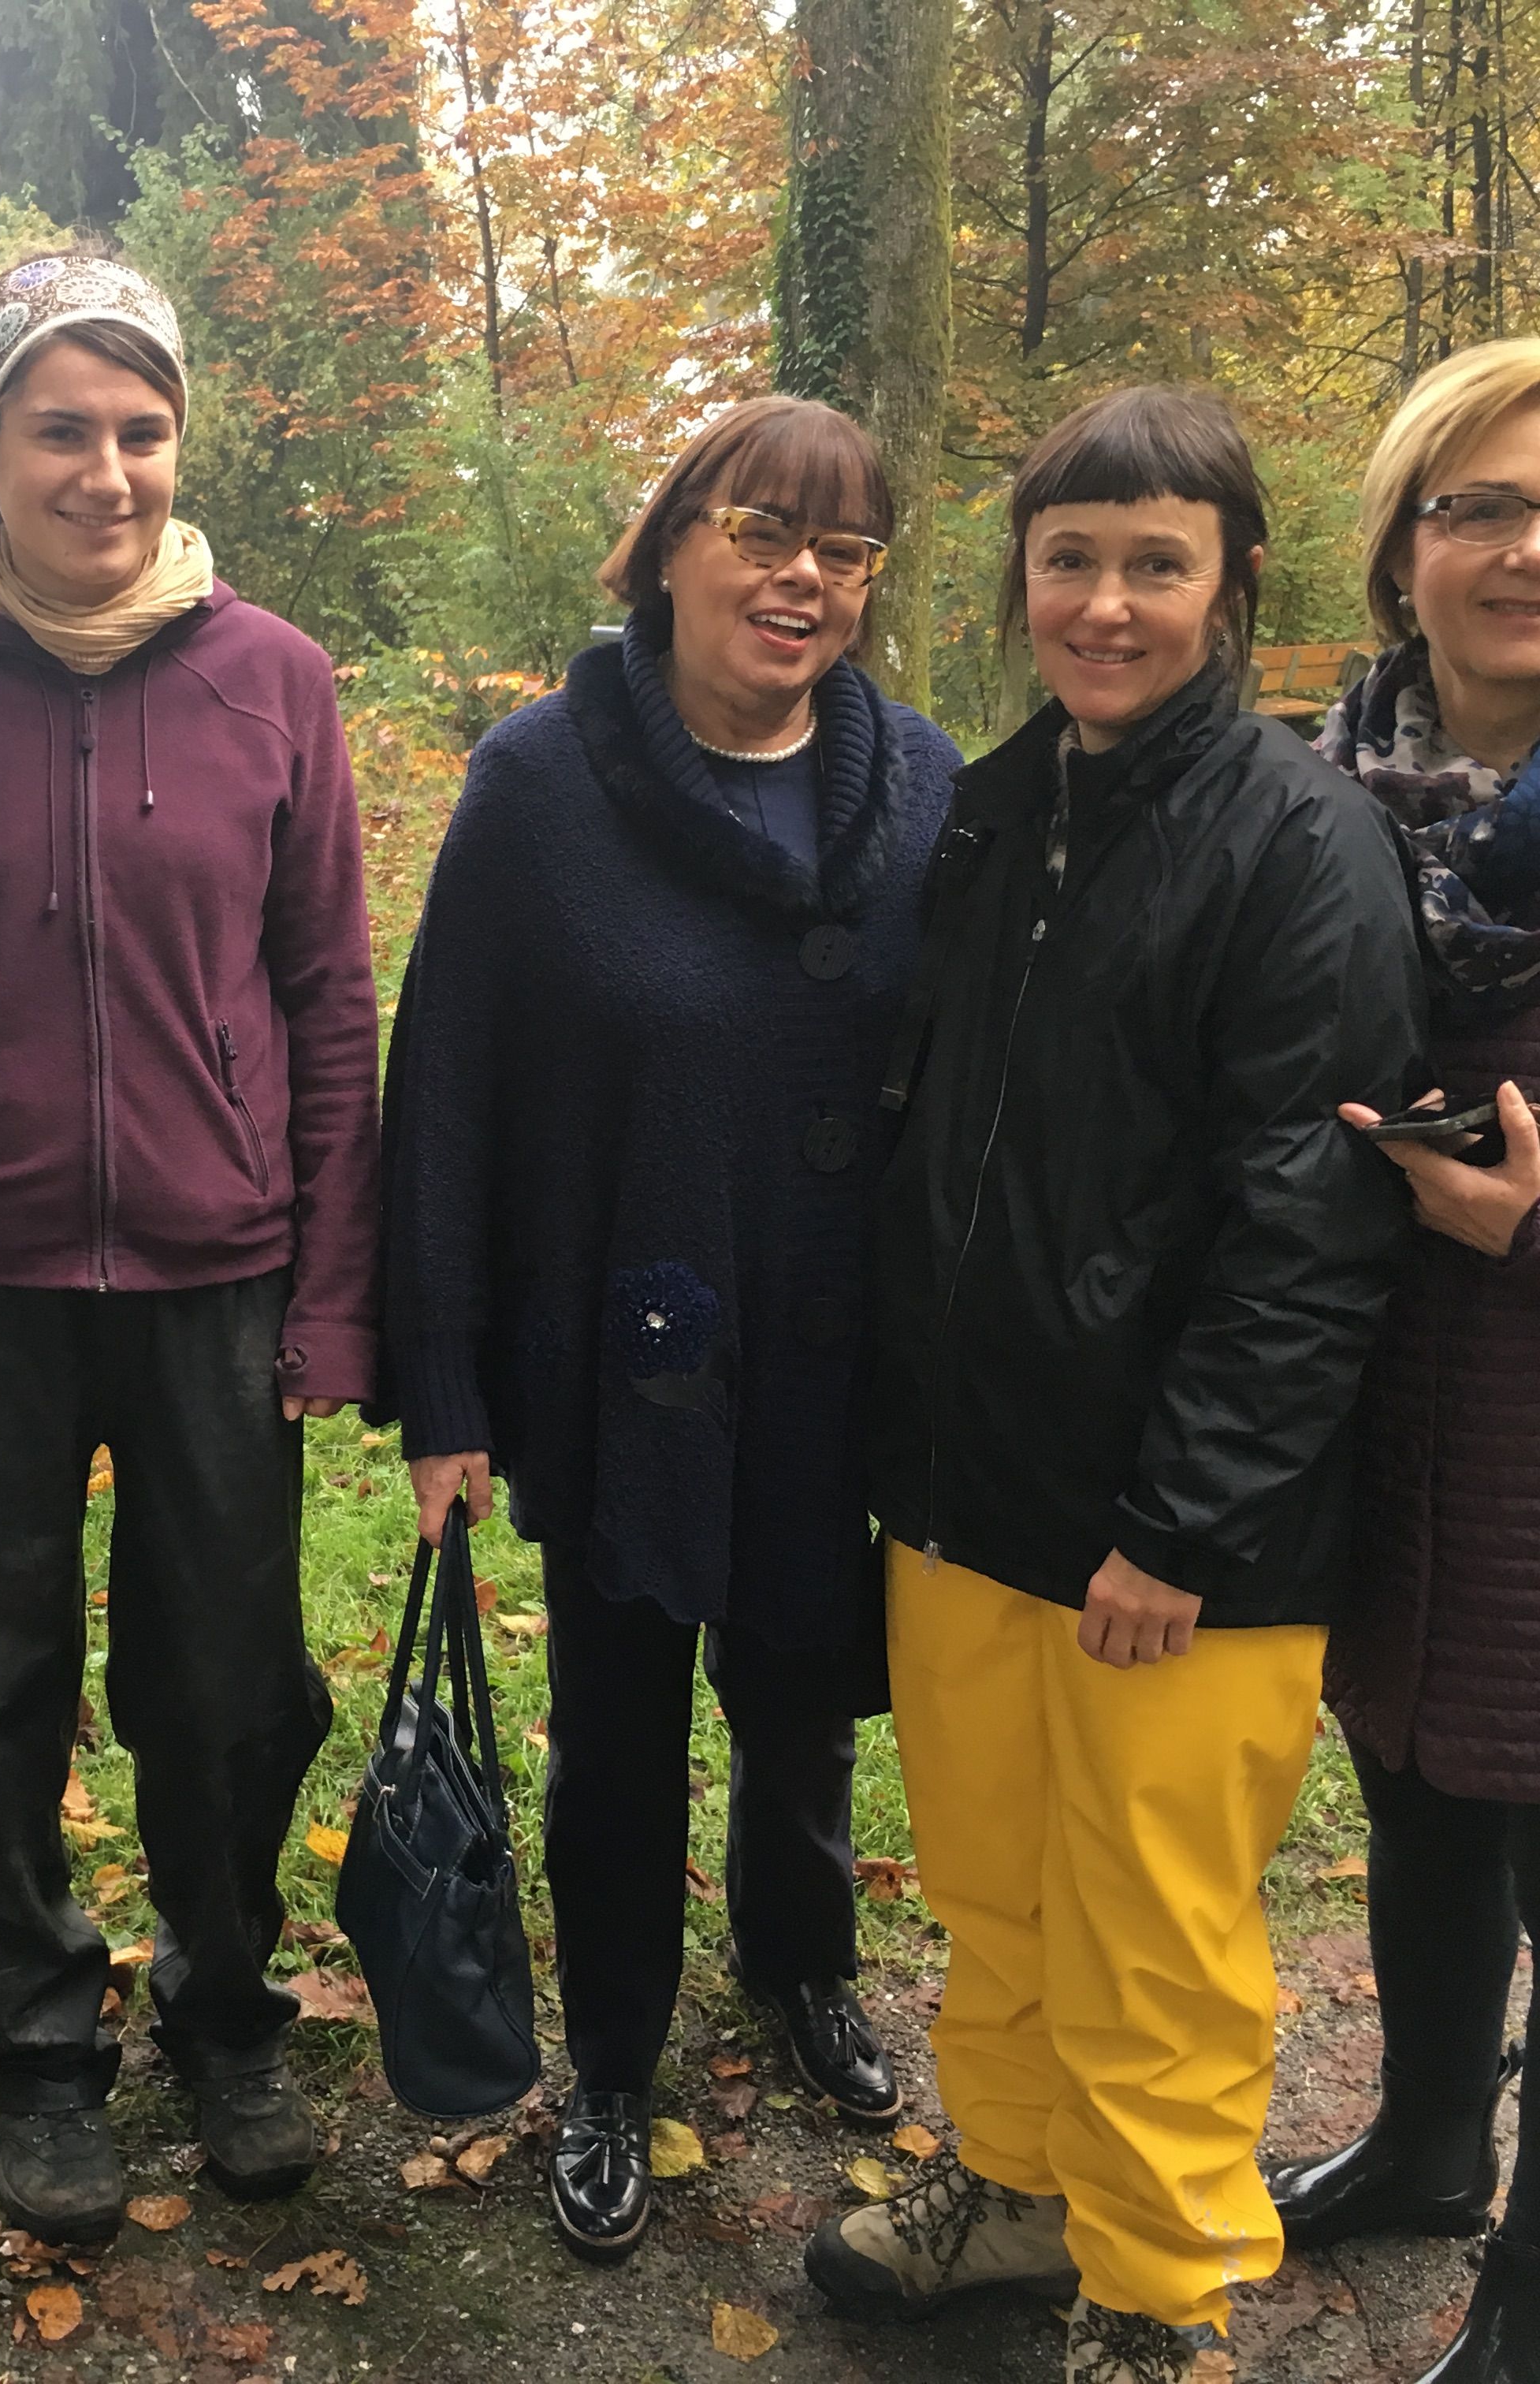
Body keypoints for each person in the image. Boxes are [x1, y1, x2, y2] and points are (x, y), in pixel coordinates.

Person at [801, 385, 1427, 2383]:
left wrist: (1185, 1519)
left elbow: (1310, 1223)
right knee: (993, 1888)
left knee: (1155, 1938)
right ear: (1021, 579)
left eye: (1155, 562)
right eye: (1070, 559)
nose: (1106, 602)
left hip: (1180, 1542)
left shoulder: (1299, 844)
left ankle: (1155, 2302)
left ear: (1234, 582)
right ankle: (1010, 2185)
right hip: (971, 1496)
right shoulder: (989, 811)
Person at [0, 248, 381, 2248]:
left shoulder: (269, 677)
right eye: (62, 426)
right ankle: (41, 2043)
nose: (108, 470)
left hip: (223, 1270)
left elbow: (323, 998)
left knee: (226, 1683)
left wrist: (333, 1289)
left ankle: (228, 2008)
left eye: (142, 429)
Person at [379, 396, 958, 2264]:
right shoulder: (543, 785)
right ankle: (613, 2054)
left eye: (844, 548)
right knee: (615, 1730)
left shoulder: (922, 784)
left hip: (830, 1350)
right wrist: (443, 1387)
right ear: (671, 540)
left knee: (801, 1704)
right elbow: (446, 1087)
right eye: (761, 529)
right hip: (620, 1340)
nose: (802, 577)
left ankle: (800, 1972)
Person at [1266, 336, 1540, 2384]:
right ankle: (1435, 2139)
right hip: (1386, 1391)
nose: (1526, 549)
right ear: (1403, 549)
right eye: (1484, 507)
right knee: (1423, 1777)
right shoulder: (1318, 790)